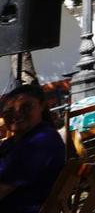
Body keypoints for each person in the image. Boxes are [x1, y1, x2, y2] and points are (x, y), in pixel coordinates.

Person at [0, 84, 65, 213]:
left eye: (25, 107)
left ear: (41, 106)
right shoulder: (12, 143)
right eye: (9, 111)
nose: (17, 114)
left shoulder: (42, 140)